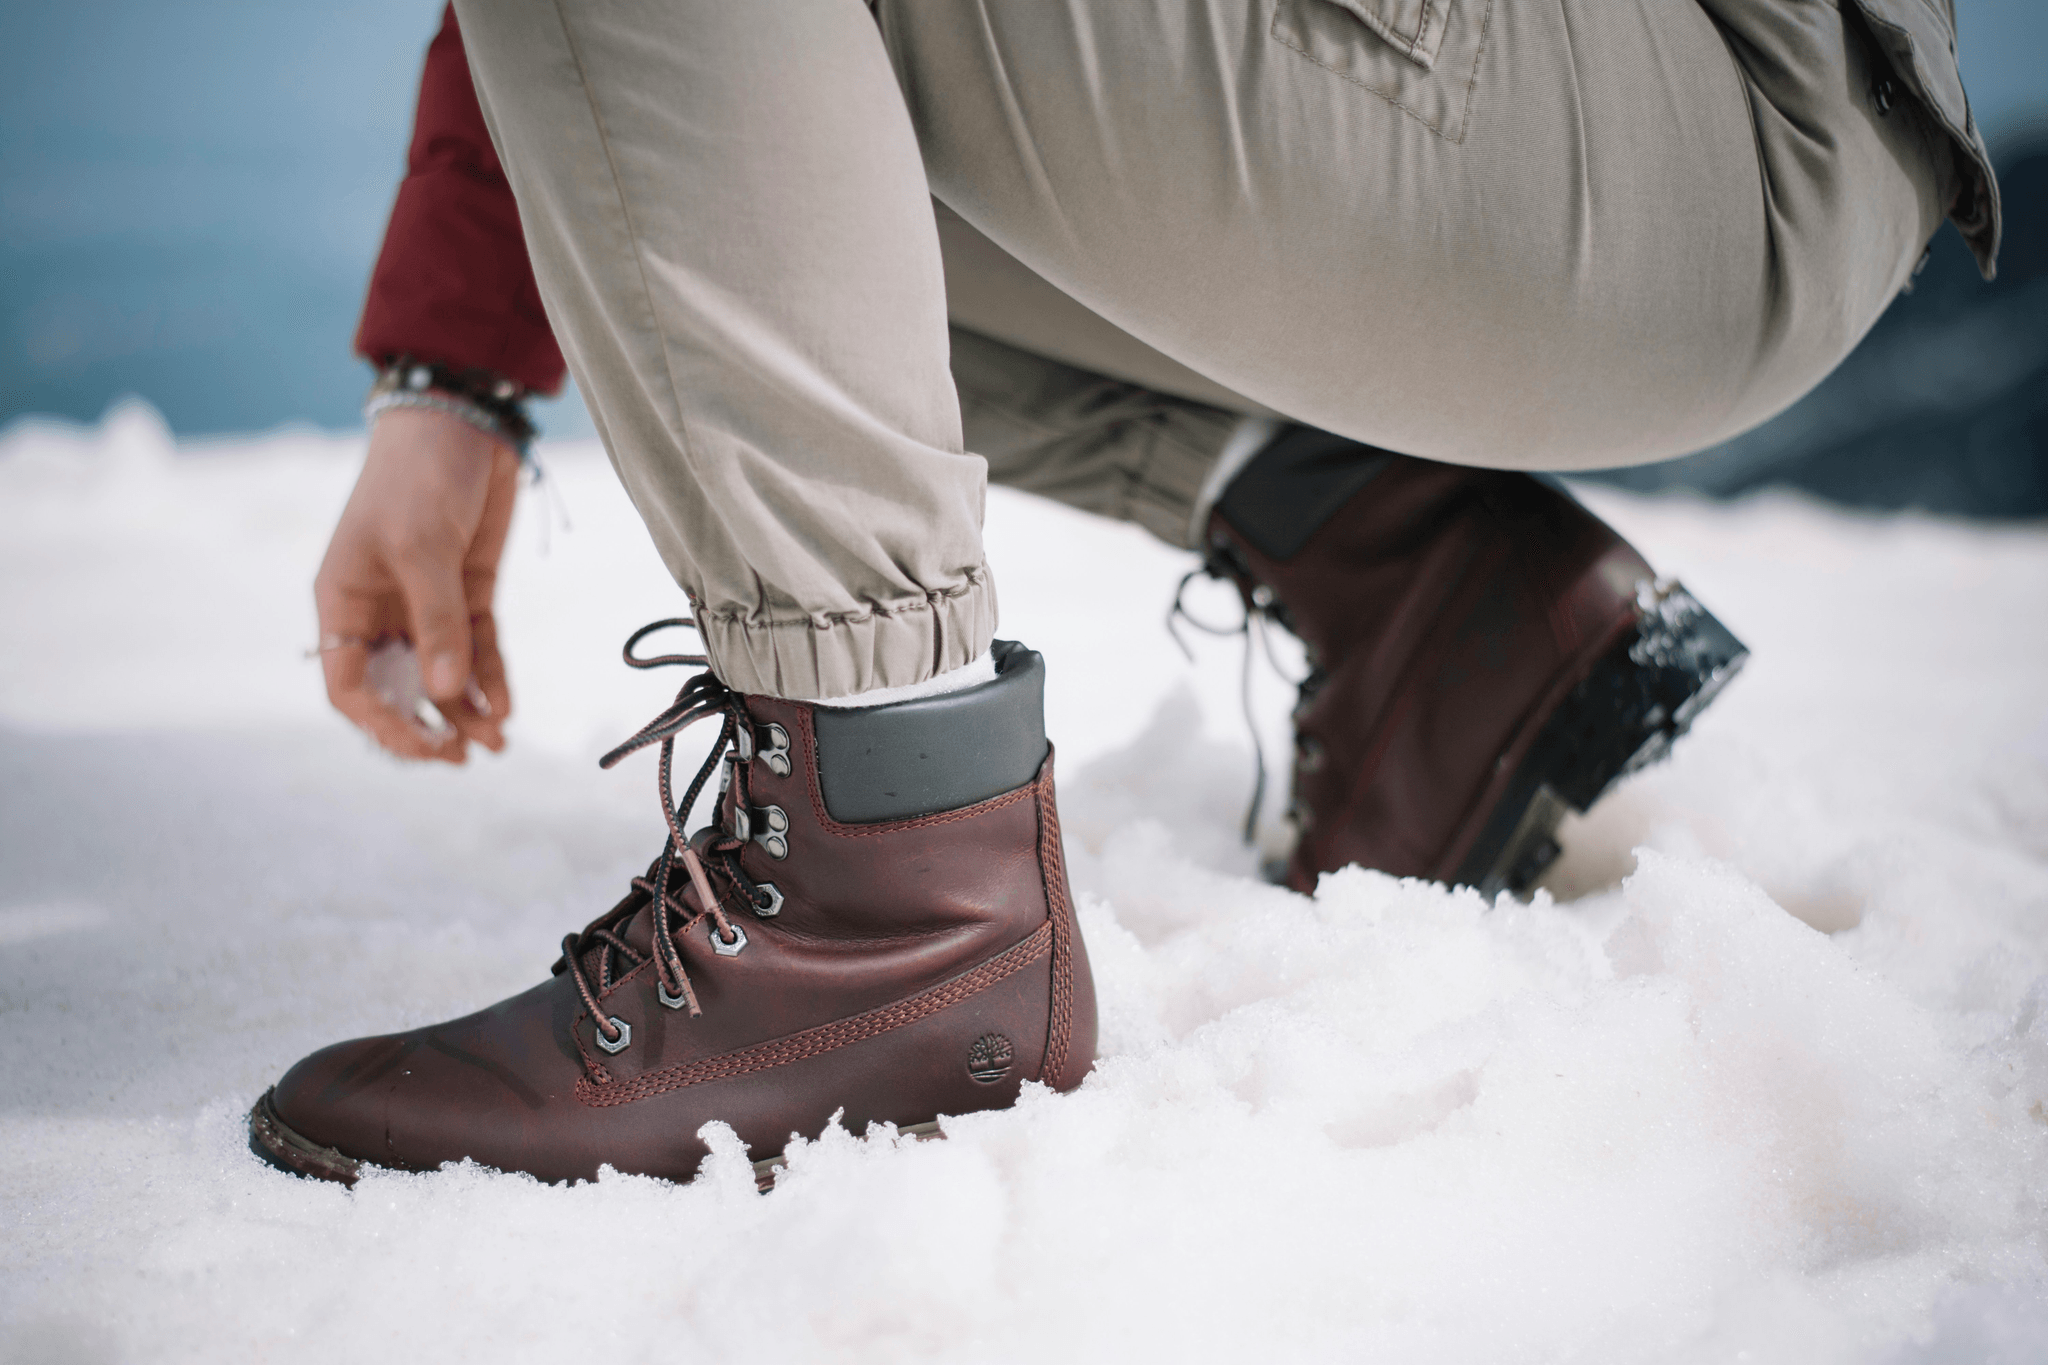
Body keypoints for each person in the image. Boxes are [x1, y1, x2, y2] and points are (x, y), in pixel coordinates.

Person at [247, 0, 1998, 1186]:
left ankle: (879, 908)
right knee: (767, 165)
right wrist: (451, 375)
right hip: (1695, 131)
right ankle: (1412, 575)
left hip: (1668, 97)